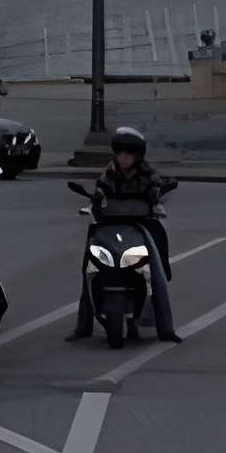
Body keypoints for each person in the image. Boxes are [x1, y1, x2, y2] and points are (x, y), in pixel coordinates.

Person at [67, 125, 180, 344]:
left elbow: (156, 192)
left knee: (156, 271)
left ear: (137, 156)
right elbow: (101, 191)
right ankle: (83, 326)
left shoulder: (148, 174)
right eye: (120, 153)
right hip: (109, 224)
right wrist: (96, 200)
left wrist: (158, 195)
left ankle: (166, 328)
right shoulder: (109, 172)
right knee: (89, 267)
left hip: (140, 225)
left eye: (129, 154)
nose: (124, 158)